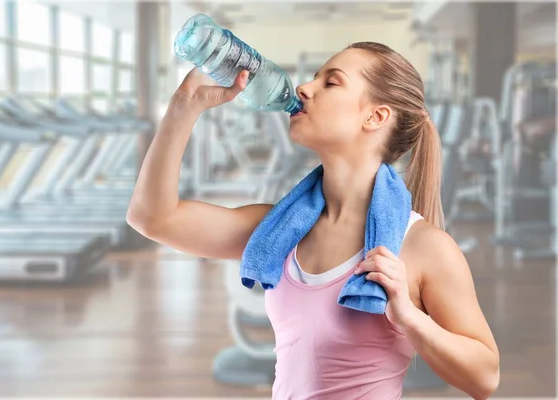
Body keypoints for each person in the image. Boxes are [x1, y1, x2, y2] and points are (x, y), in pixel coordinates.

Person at [127, 41, 500, 400]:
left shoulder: (422, 247)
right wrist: (183, 107)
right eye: (314, 78)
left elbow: (484, 378)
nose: (304, 88)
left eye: (331, 81)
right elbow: (151, 218)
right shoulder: (281, 229)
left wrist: (409, 318)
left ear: (376, 116)